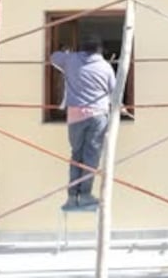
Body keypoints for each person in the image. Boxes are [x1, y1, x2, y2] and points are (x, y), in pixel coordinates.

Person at [49, 35, 117, 211]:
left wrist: (66, 52)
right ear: (99, 50)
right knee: (91, 157)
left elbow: (53, 58)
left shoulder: (71, 60)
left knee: (76, 156)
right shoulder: (105, 67)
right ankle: (85, 195)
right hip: (98, 115)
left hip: (75, 115)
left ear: (82, 48)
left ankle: (72, 197)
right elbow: (115, 93)